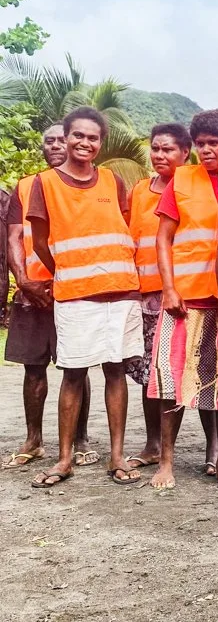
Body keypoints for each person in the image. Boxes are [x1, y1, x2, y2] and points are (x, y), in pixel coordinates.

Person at [27, 107, 144, 487]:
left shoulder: (112, 180)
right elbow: (42, 242)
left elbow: (124, 228)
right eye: (78, 135)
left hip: (121, 289)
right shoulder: (45, 183)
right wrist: (66, 268)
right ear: (67, 136)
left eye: (93, 138)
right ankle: (64, 459)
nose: (85, 143)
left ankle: (116, 456)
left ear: (100, 143)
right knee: (73, 373)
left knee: (115, 371)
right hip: (75, 293)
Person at [148, 110, 218, 489]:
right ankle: (166, 463)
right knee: (171, 382)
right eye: (199, 143)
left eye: (212, 143)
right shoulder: (182, 179)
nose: (205, 150)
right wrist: (168, 288)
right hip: (183, 300)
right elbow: (163, 238)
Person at [3, 125, 96, 470]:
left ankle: (81, 438)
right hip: (33, 294)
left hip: (72, 290)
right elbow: (14, 237)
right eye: (50, 141)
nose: (56, 145)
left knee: (77, 367)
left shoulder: (87, 185)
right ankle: (34, 439)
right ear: (43, 147)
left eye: (62, 139)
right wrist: (24, 281)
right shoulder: (26, 186)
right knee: (33, 368)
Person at [125, 123, 191, 472]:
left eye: (168, 149)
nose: (160, 155)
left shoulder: (193, 188)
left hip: (181, 295)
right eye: (156, 148)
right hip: (142, 295)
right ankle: (153, 445)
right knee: (149, 373)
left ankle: (211, 452)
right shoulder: (138, 190)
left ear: (185, 153)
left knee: (179, 371)